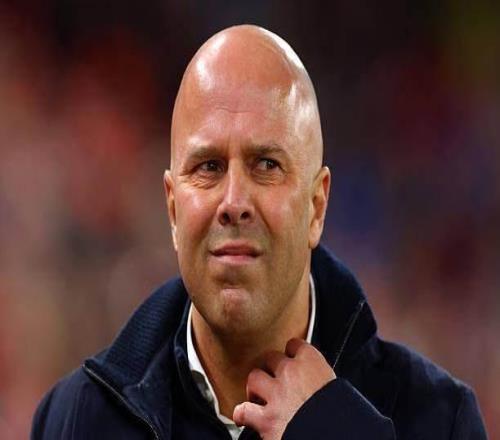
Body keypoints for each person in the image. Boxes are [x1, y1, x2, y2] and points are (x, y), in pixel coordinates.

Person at [31, 25, 487, 440]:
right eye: (209, 167)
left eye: (266, 165)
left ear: (316, 207)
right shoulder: (74, 420)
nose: (233, 203)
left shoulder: (438, 419)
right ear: (172, 210)